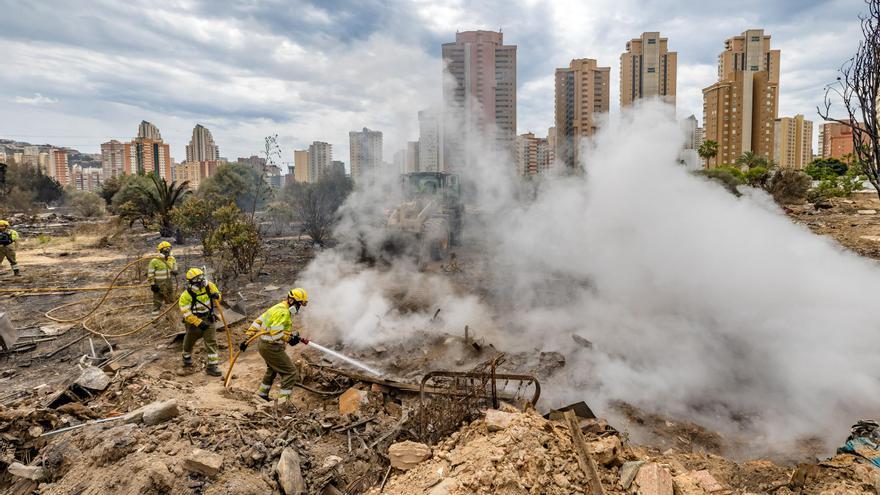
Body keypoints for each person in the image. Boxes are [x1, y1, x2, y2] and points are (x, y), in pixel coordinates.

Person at [239, 288, 309, 402]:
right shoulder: (283, 312)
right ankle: (282, 403)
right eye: (298, 305)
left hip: (264, 344)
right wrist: (290, 339)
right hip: (271, 347)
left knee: (272, 369)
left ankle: (262, 394)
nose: (298, 308)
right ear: (291, 301)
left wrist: (247, 338)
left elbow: (258, 321)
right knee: (291, 372)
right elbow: (276, 334)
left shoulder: (277, 307)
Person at [178, 268, 222, 376]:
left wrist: (217, 296)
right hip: (193, 322)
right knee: (190, 340)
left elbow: (218, 296)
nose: (200, 280)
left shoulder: (209, 286)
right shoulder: (186, 295)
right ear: (191, 282)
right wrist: (198, 322)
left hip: (209, 318)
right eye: (197, 279)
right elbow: (186, 313)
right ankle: (186, 356)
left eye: (201, 277)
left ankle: (212, 366)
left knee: (211, 342)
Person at [147, 241, 177, 316]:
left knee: (170, 302)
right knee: (157, 303)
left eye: (169, 249)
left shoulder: (172, 259)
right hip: (158, 285)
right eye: (165, 250)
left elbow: (175, 269)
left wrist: (175, 272)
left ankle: (170, 318)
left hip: (169, 284)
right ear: (160, 251)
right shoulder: (154, 261)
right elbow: (150, 274)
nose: (167, 251)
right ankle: (154, 319)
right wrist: (153, 284)